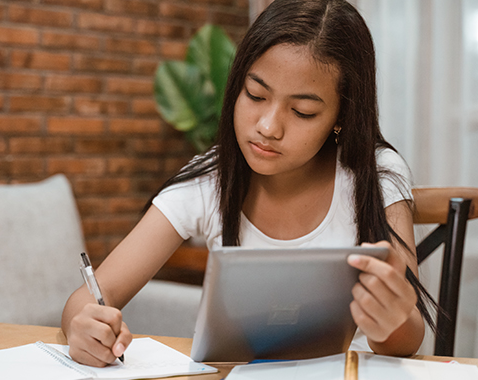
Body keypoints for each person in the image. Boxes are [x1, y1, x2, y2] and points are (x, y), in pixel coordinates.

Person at [61, 0, 438, 367]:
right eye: (255, 94)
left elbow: (406, 341)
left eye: (303, 111)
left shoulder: (375, 174)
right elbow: (89, 298)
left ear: (342, 115)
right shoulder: (211, 178)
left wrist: (392, 318)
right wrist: (85, 328)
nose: (268, 127)